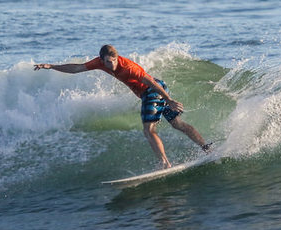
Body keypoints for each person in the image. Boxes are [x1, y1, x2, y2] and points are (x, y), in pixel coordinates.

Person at [35, 45, 210, 168]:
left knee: (149, 130)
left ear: (117, 58)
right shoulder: (100, 62)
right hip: (152, 91)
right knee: (177, 124)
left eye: (112, 62)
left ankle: (164, 163)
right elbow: (76, 68)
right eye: (106, 62)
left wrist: (169, 99)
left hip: (152, 90)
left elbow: (150, 82)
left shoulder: (129, 67)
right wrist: (51, 66)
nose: (109, 66)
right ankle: (206, 148)